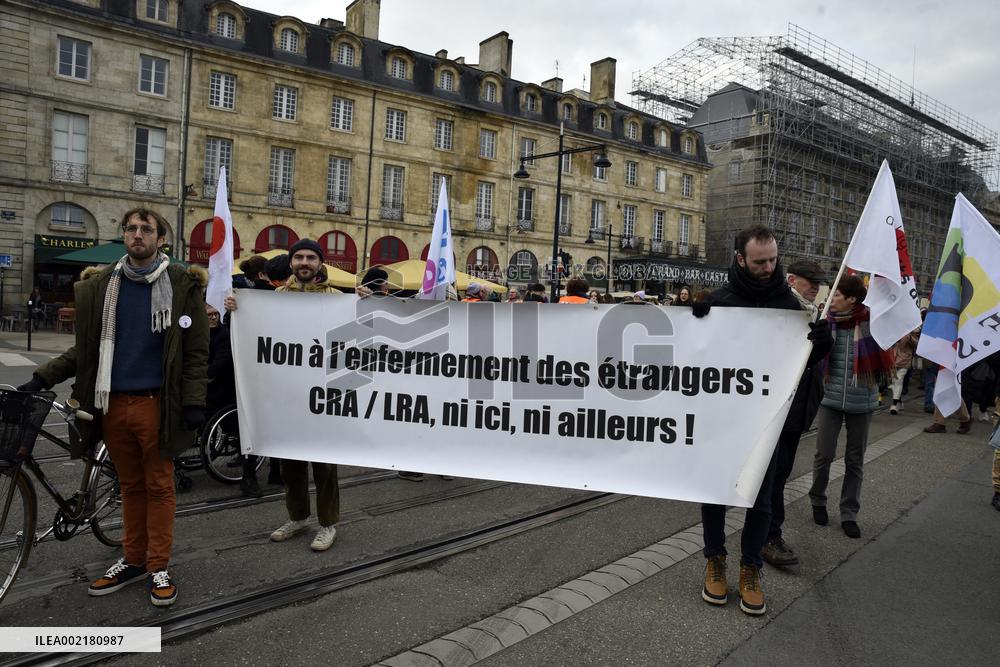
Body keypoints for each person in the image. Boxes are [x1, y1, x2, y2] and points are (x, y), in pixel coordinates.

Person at [19, 207, 208, 606]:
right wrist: (42, 377)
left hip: (157, 404)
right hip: (112, 403)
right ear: (124, 234)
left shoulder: (181, 284)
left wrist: (193, 402)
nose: (138, 234)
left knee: (159, 487)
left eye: (146, 229)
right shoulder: (103, 285)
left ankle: (158, 565)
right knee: (130, 486)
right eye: (131, 228)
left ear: (160, 239)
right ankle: (134, 559)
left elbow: (195, 353)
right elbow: (84, 350)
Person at [692, 224, 831, 616]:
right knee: (716, 493)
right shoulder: (719, 302)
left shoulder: (792, 306)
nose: (769, 267)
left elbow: (800, 366)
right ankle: (715, 560)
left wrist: (821, 348)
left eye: (773, 259)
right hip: (722, 419)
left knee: (763, 498)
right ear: (741, 259)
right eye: (760, 262)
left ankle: (751, 567)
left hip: (769, 421)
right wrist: (693, 323)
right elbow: (695, 360)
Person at [224, 238, 343, 551]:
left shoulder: (337, 298)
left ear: (320, 263)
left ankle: (328, 523)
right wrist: (236, 311)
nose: (304, 263)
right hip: (287, 394)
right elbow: (255, 334)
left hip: (323, 395)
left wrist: (367, 303)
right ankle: (298, 516)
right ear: (291, 263)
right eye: (299, 257)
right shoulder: (274, 299)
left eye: (311, 258)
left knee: (324, 465)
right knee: (290, 463)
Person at [809, 275, 894, 540]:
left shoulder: (873, 323)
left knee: (855, 460)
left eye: (836, 295)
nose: (831, 298)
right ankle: (818, 500)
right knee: (823, 455)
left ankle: (849, 513)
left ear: (852, 299)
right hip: (830, 400)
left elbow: (888, 346)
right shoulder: (825, 323)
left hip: (862, 401)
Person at [762, 259, 829, 567]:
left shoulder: (811, 313)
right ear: (791, 280)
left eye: (818, 282)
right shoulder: (784, 310)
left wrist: (822, 346)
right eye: (809, 280)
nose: (816, 286)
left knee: (779, 476)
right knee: (772, 478)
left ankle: (767, 533)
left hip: (796, 411)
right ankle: (769, 537)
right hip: (778, 410)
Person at [888, 330, 919, 414]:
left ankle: (894, 405)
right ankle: (899, 402)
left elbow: (917, 344)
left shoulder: (911, 331)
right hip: (892, 359)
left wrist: (909, 336)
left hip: (904, 360)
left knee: (898, 380)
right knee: (894, 382)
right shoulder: (893, 330)